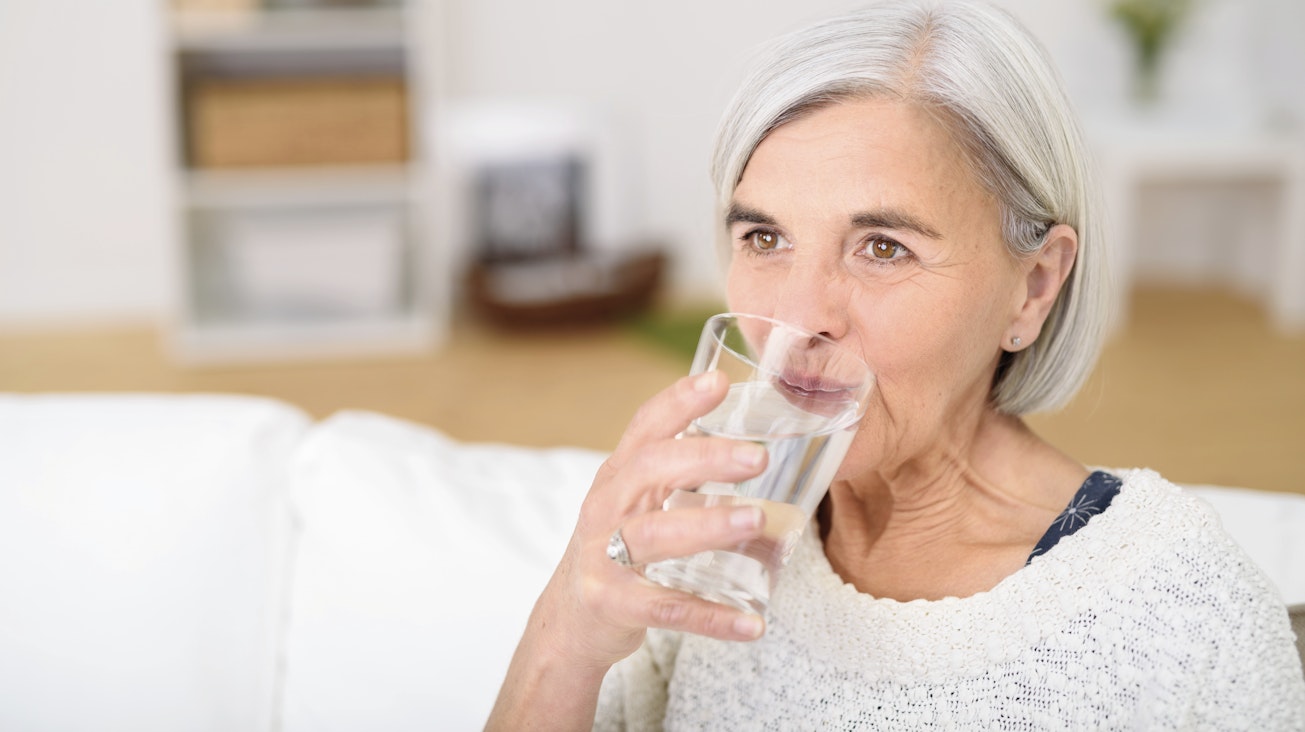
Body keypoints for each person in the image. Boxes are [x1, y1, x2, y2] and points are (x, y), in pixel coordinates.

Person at [487, 2, 1305, 728]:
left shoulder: (1182, 612)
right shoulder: (697, 543)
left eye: (883, 247)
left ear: (1032, 287)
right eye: (764, 237)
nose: (798, 317)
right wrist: (565, 635)